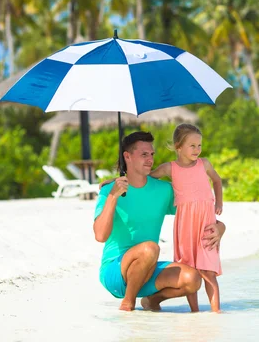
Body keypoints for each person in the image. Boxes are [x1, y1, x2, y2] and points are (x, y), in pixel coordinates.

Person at [93, 131, 225, 312]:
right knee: (150, 248)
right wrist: (113, 196)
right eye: (144, 154)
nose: (150, 159)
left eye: (152, 154)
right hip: (115, 272)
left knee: (193, 279)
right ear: (127, 156)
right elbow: (100, 235)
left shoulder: (164, 190)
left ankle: (152, 301)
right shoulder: (109, 190)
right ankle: (128, 303)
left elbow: (197, 214)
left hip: (148, 271)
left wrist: (220, 228)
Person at [150, 123, 223, 312]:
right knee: (189, 268)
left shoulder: (204, 164)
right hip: (185, 225)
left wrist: (219, 203)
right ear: (178, 146)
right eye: (192, 145)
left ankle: (217, 312)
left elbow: (217, 180)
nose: (197, 150)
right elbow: (147, 178)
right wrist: (117, 180)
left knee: (208, 271)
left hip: (206, 223)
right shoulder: (169, 168)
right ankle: (195, 312)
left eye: (199, 145)